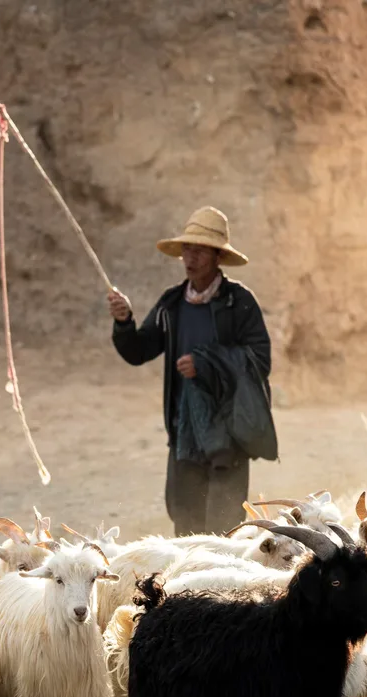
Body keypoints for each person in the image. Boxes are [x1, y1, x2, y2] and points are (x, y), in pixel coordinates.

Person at [108, 206, 277, 536]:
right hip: (185, 435)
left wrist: (206, 363)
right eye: (187, 249)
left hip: (229, 434)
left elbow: (260, 359)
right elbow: (139, 351)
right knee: (184, 526)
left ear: (217, 256)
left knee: (224, 530)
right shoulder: (172, 304)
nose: (190, 257)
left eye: (199, 250)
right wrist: (123, 322)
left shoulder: (239, 302)